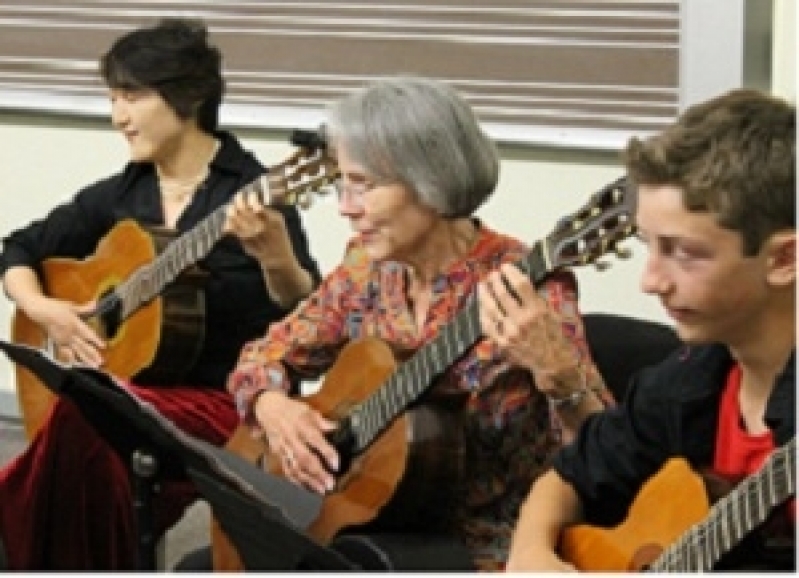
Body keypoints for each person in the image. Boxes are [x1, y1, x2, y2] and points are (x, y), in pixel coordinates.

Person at [222, 75, 613, 571]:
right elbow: (263, 354)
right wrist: (274, 405)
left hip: (487, 546)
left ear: (432, 180)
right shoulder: (367, 268)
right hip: (372, 524)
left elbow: (607, 456)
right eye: (342, 182)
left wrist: (561, 380)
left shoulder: (527, 290)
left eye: (363, 185)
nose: (345, 206)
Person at [0, 18, 321, 570]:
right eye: (112, 97)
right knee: (93, 420)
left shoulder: (250, 193)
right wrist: (44, 310)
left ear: (187, 96)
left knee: (87, 414)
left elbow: (303, 308)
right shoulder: (126, 191)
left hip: (229, 403)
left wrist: (275, 255)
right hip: (135, 401)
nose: (117, 116)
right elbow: (18, 249)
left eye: (131, 95)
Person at [503, 88, 795, 571]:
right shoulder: (693, 380)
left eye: (685, 253)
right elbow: (569, 477)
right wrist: (530, 554)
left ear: (784, 258)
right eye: (647, 246)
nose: (650, 282)